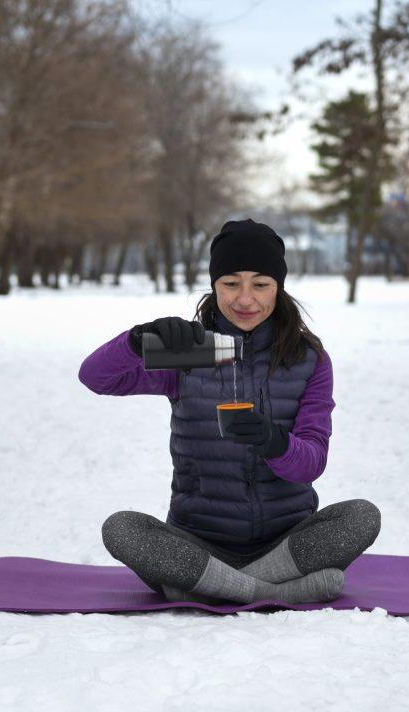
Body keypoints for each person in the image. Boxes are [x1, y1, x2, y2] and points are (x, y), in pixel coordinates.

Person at [78, 218, 380, 605]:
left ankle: (210, 588)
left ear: (279, 287)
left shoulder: (308, 359)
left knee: (362, 517)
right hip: (198, 543)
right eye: (231, 283)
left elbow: (311, 464)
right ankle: (270, 591)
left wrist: (275, 443)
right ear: (214, 285)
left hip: (285, 543)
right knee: (122, 528)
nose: (245, 299)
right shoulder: (186, 352)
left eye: (261, 284)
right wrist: (136, 341)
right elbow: (95, 378)